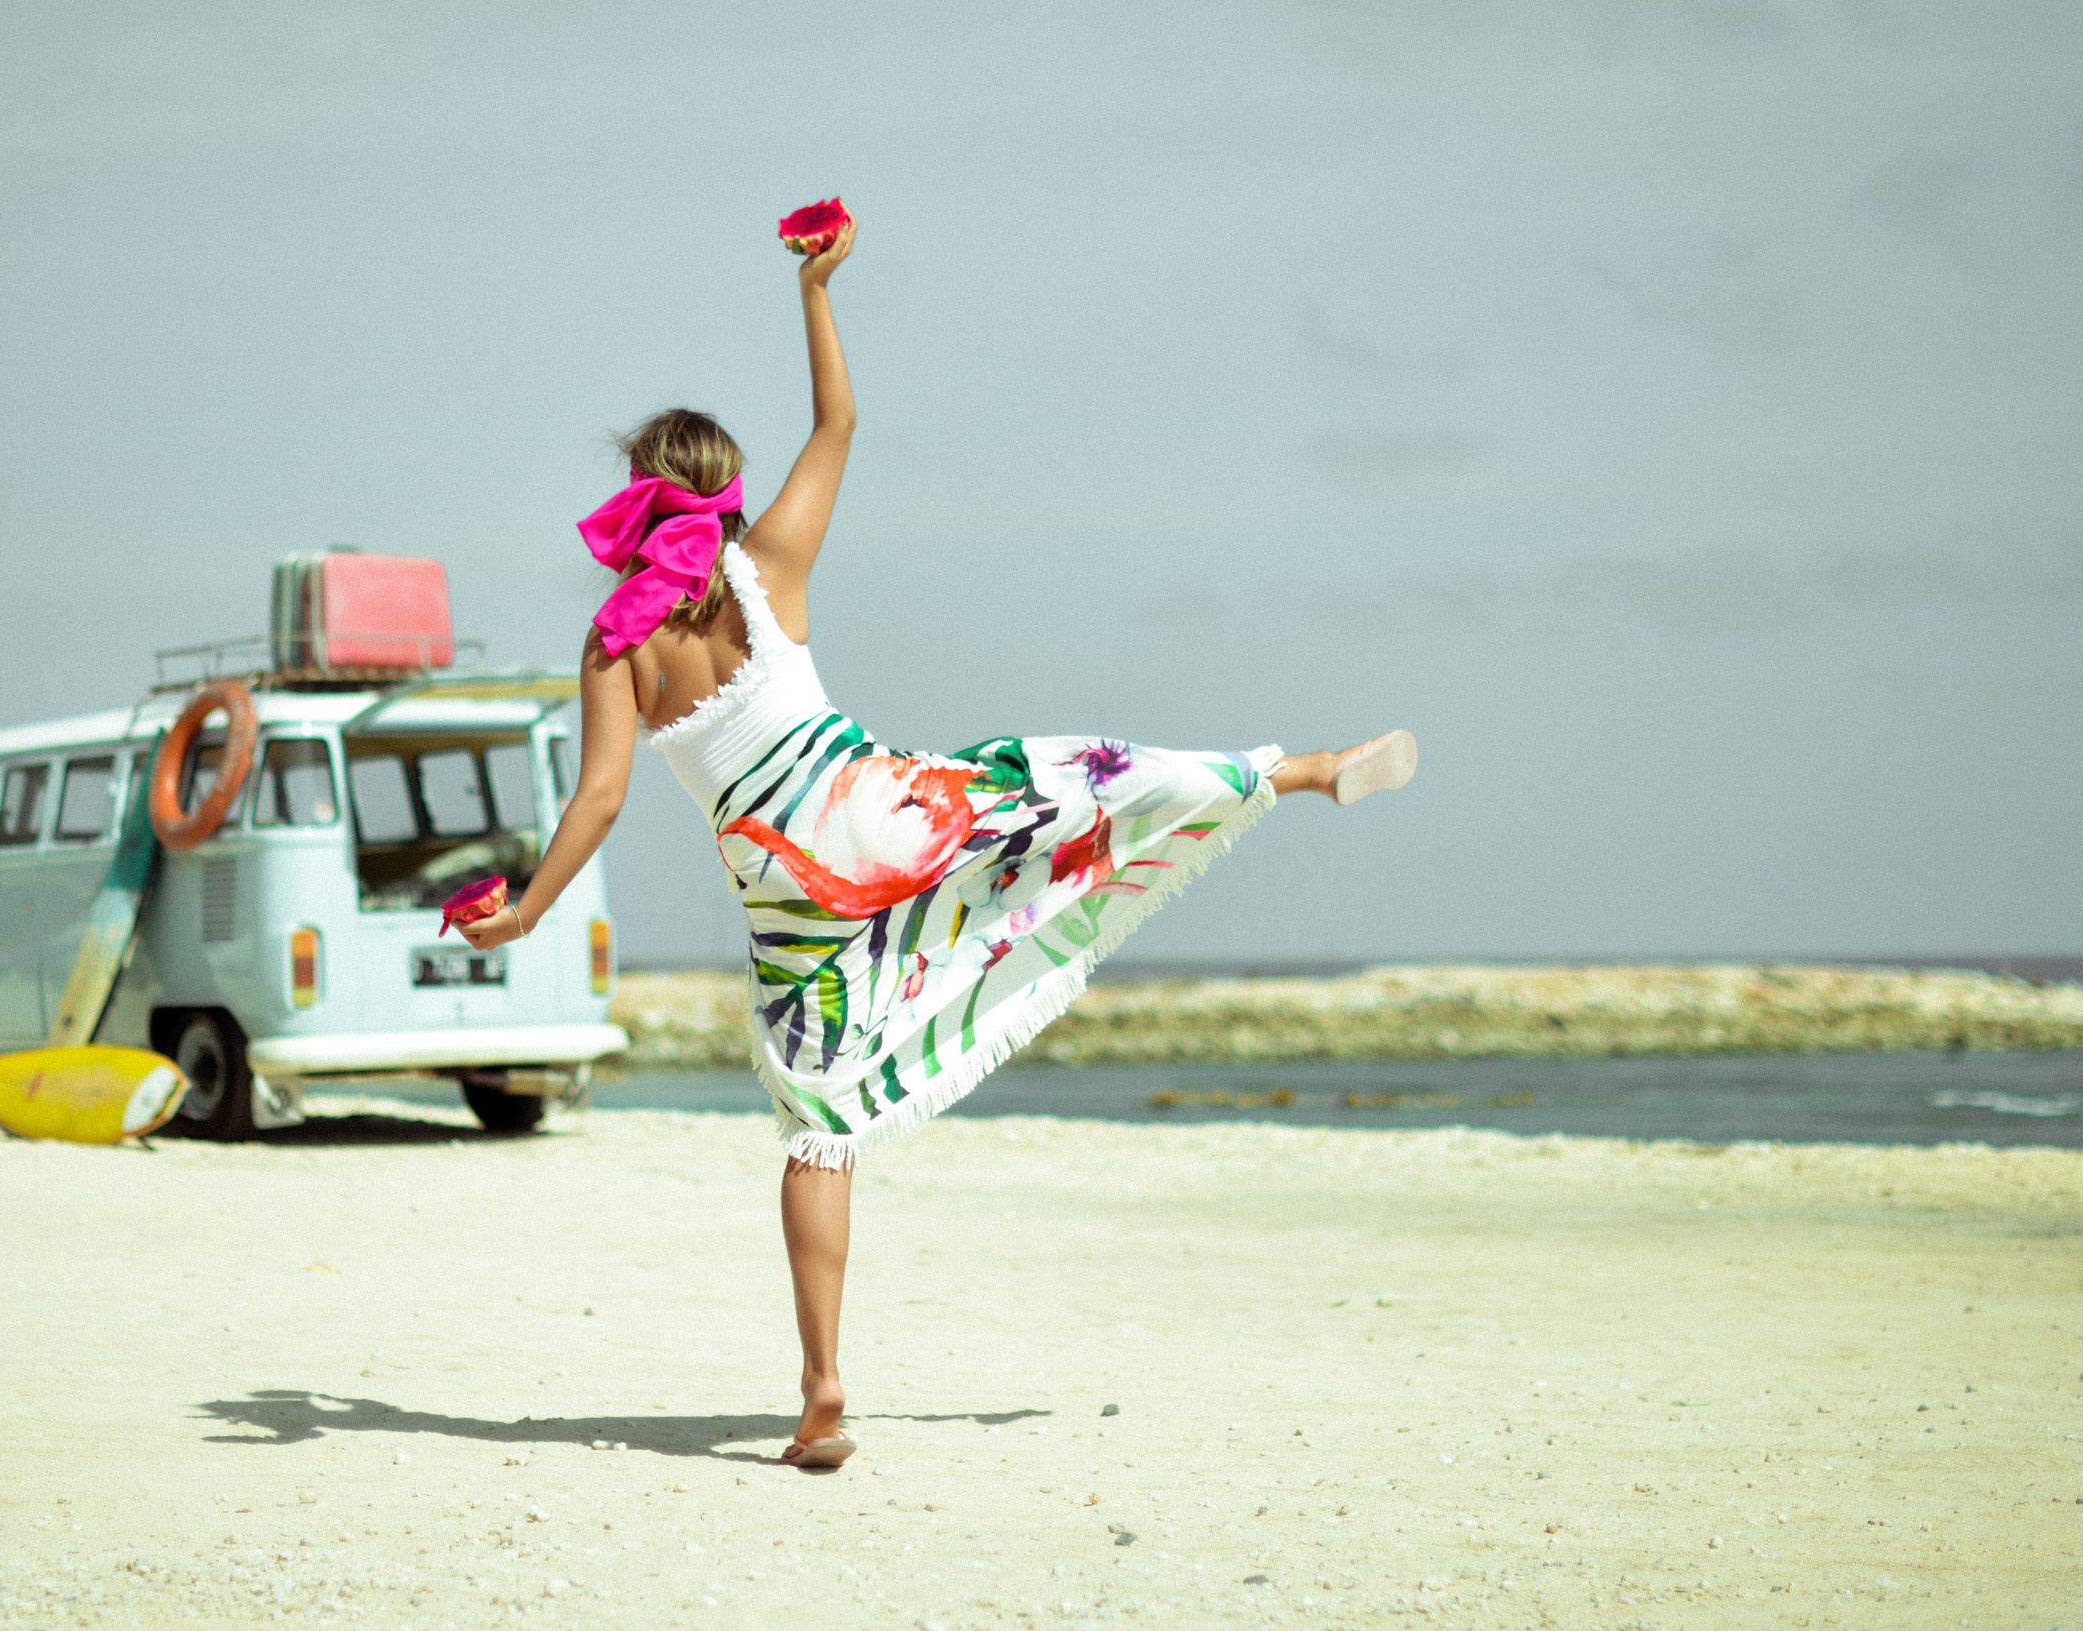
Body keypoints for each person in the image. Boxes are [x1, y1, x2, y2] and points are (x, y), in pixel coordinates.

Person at [456, 212, 1416, 1468]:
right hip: (879, 813)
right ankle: (1293, 770)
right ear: (721, 489)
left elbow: (596, 804)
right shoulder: (766, 567)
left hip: (788, 892)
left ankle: (823, 1391)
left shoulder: (616, 642)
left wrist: (526, 910)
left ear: (633, 498)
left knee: (818, 1129)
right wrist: (815, 291)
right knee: (1070, 777)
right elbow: (840, 425)